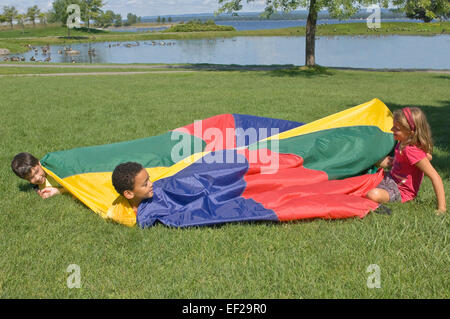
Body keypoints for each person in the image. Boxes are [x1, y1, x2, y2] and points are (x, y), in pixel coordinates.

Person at [367, 107, 446, 214]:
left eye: (396, 128)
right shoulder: (403, 141)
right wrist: (394, 161)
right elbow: (426, 156)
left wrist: (442, 208)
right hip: (390, 178)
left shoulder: (411, 151)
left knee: (372, 194)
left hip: (400, 191)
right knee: (363, 180)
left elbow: (435, 177)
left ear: (410, 132)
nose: (391, 130)